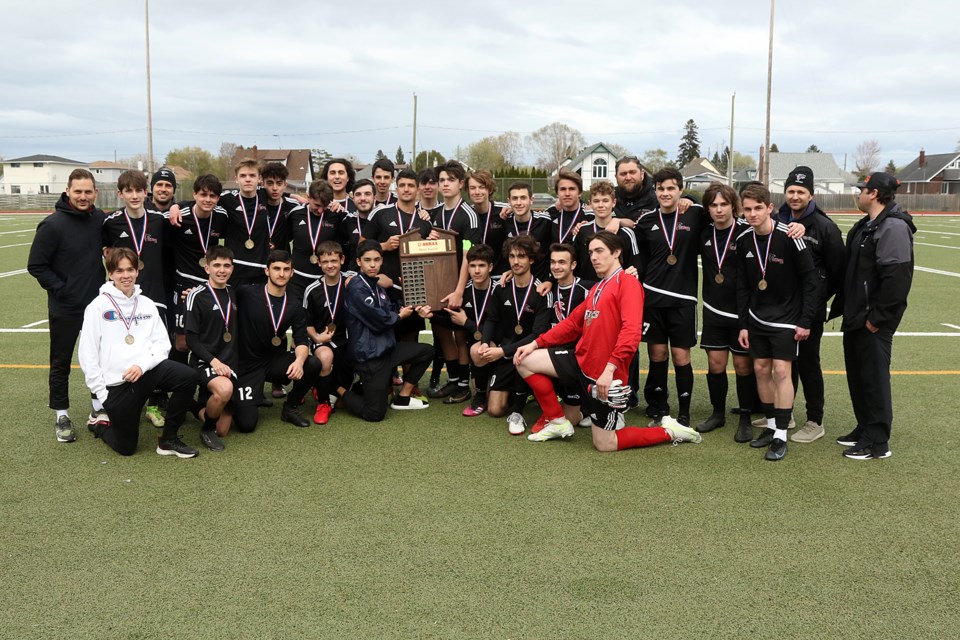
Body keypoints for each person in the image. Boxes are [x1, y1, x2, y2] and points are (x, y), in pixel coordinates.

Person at [514, 231, 702, 449]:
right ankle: (557, 422)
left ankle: (669, 431)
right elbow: (573, 324)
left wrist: (610, 369)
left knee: (605, 444)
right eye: (591, 252)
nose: (593, 257)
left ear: (617, 252)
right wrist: (535, 343)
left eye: (600, 251)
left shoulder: (628, 283)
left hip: (605, 375)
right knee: (524, 360)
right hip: (581, 362)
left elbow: (631, 332)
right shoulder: (598, 287)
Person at [78, 248, 199, 458]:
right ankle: (100, 423)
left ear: (137, 272)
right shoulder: (97, 307)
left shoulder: (147, 304)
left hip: (146, 373)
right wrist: (102, 394)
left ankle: (168, 440)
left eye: (130, 270)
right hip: (117, 386)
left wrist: (142, 365)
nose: (126, 276)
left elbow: (162, 345)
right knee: (126, 448)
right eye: (120, 270)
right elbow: (87, 354)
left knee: (188, 377)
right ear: (111, 274)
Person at [831, 173, 914, 460]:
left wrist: (877, 318)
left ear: (874, 193)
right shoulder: (868, 224)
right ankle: (865, 427)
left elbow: (897, 279)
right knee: (858, 375)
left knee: (874, 378)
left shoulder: (892, 227)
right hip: (857, 315)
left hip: (873, 320)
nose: (858, 194)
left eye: (862, 190)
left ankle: (877, 442)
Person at [735, 184, 818, 461]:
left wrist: (805, 321)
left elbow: (811, 281)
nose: (752, 214)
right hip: (757, 318)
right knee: (760, 369)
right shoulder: (744, 240)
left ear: (770, 208)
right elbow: (743, 287)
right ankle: (771, 426)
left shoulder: (790, 236)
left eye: (758, 208)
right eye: (747, 209)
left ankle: (781, 435)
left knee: (782, 372)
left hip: (786, 318)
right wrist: (743, 324)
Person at [27, 168, 107, 443]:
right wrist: (62, 289)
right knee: (61, 362)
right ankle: (61, 414)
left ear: (95, 193)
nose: (83, 197)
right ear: (67, 192)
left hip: (96, 307)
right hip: (65, 308)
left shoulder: (100, 219)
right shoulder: (53, 225)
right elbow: (36, 265)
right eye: (78, 192)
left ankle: (99, 408)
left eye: (88, 192)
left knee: (99, 360)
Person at [775, 166, 845, 444]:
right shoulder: (777, 218)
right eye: (791, 191)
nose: (795, 196)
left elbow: (837, 272)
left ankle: (815, 420)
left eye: (800, 192)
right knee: (785, 363)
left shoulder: (825, 227)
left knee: (808, 363)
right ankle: (786, 413)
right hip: (782, 308)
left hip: (808, 311)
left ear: (811, 194)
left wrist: (814, 305)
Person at [634, 168, 709, 426]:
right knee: (656, 355)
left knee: (681, 357)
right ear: (655, 191)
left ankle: (684, 411)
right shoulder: (646, 222)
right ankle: (659, 406)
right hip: (653, 299)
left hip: (683, 301)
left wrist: (693, 200)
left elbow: (720, 213)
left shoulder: (695, 214)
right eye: (661, 189)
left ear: (680, 190)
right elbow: (640, 261)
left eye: (671, 189)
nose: (665, 193)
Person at [337, 240, 435, 421]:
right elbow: (380, 321)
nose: (372, 264)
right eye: (367, 260)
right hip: (369, 357)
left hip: (387, 350)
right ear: (359, 262)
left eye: (376, 260)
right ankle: (338, 388)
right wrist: (400, 316)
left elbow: (391, 307)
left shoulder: (376, 285)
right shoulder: (357, 288)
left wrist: (414, 308)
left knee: (427, 351)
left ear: (382, 261)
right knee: (375, 414)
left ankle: (403, 397)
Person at [102, 170, 171, 428]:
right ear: (120, 194)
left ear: (146, 193)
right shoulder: (111, 223)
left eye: (138, 190)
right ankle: (116, 400)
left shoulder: (159, 221)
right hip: (122, 300)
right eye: (128, 191)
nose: (133, 195)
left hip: (154, 297)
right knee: (119, 347)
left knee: (155, 349)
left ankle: (155, 403)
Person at [470, 235, 551, 434]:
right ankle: (487, 391)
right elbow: (492, 319)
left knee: (525, 359)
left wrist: (502, 351)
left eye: (522, 256)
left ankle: (521, 404)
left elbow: (537, 334)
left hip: (530, 353)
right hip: (506, 352)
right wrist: (486, 342)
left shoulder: (541, 291)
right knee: (495, 410)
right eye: (512, 256)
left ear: (531, 259)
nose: (516, 261)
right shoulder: (502, 288)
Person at [233, 250, 322, 431]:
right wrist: (193, 294)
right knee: (246, 425)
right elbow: (219, 296)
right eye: (276, 269)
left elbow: (302, 340)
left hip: (273, 361)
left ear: (292, 273)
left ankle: (290, 407)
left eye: (286, 269)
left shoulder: (295, 304)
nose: (281, 274)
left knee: (312, 363)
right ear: (267, 271)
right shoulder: (246, 293)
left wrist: (299, 361)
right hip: (246, 365)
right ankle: (254, 397)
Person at [696, 183, 754, 441]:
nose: (719, 210)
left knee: (743, 366)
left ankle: (745, 418)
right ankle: (717, 414)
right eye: (714, 205)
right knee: (715, 364)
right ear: (708, 208)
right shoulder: (703, 232)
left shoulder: (746, 232)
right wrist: (687, 199)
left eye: (724, 204)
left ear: (733, 206)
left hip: (742, 312)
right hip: (713, 310)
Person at [426, 160, 481, 402]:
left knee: (460, 335)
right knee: (440, 332)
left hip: (460, 286)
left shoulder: (468, 215)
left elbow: (469, 254)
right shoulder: (435, 214)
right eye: (442, 181)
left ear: (461, 184)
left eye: (450, 180)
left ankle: (463, 385)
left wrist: (459, 290)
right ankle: (454, 380)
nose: (445, 184)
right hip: (437, 285)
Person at [167, 174, 230, 359]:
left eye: (212, 196)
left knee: (209, 335)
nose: (207, 200)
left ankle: (203, 379)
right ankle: (181, 384)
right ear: (194, 194)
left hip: (209, 285)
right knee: (181, 342)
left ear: (218, 198)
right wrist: (176, 205)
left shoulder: (221, 216)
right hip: (184, 283)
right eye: (203, 195)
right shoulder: (178, 216)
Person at [184, 246, 239, 452]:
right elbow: (191, 340)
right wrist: (214, 362)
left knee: (224, 429)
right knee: (224, 389)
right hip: (205, 361)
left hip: (230, 363)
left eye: (226, 265)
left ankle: (195, 406)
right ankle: (207, 429)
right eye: (216, 265)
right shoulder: (196, 295)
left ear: (232, 268)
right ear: (207, 268)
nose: (221, 270)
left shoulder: (233, 292)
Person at [303, 241, 352, 426]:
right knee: (325, 357)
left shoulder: (352, 281)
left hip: (348, 340)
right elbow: (306, 324)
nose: (330, 265)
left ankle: (321, 385)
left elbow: (380, 280)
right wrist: (316, 338)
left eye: (334, 260)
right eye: (325, 261)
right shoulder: (312, 289)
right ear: (319, 263)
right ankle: (323, 404)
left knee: (342, 401)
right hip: (323, 341)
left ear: (342, 260)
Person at [447, 244, 498, 417]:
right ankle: (481, 395)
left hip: (500, 346)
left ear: (490, 267)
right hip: (479, 351)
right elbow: (448, 316)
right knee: (477, 350)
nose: (476, 271)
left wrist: (467, 323)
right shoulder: (463, 292)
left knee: (499, 407)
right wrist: (428, 314)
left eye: (482, 266)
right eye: (473, 266)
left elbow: (498, 328)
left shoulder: (500, 288)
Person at [574, 180, 639, 280]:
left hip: (615, 291)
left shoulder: (626, 234)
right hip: (588, 290)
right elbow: (576, 265)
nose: (600, 205)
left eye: (605, 201)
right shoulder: (582, 231)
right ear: (590, 203)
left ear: (613, 203)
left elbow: (635, 267)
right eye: (596, 201)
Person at [289, 179, 342, 300]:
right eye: (317, 205)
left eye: (324, 206)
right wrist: (292, 195)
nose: (320, 210)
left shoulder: (335, 215)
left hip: (324, 279)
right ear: (308, 197)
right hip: (297, 280)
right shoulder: (295, 214)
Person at [544, 171, 593, 245]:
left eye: (572, 189)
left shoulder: (590, 217)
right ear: (557, 193)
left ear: (580, 193)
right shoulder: (549, 216)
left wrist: (616, 220)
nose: (567, 194)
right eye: (563, 189)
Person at [339, 177, 377, 268]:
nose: (363, 198)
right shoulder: (346, 222)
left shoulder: (383, 221)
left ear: (375, 197)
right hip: (353, 276)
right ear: (353, 198)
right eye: (358, 194)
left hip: (378, 278)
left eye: (367, 194)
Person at [261, 162, 298, 252]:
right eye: (270, 183)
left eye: (279, 183)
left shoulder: (294, 208)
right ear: (262, 184)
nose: (274, 188)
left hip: (283, 261)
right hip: (259, 260)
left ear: (285, 184)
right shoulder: (255, 204)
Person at [613, 156, 658, 222]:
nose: (628, 178)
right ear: (616, 177)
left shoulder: (657, 198)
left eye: (632, 172)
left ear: (642, 174)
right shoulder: (609, 198)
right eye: (623, 174)